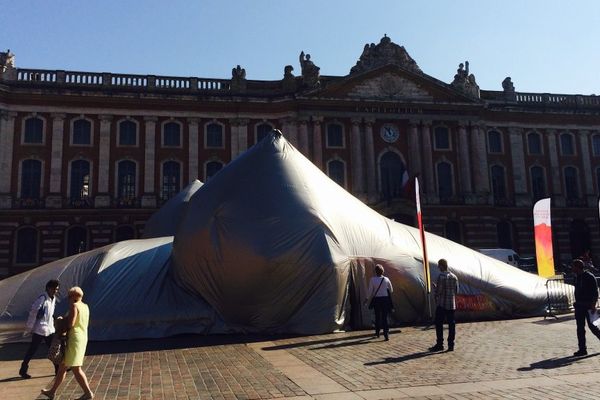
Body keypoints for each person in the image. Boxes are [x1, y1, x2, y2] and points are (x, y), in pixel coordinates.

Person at [42, 286, 93, 400]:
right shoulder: (85, 306)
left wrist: (61, 320)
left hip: (74, 338)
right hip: (82, 337)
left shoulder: (74, 306)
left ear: (73, 297)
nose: (68, 299)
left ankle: (88, 393)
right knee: (62, 367)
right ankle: (52, 391)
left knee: (76, 368)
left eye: (69, 296)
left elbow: (71, 324)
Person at [19, 279, 60, 379]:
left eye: (57, 289)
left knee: (53, 349)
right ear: (48, 288)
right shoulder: (42, 298)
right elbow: (33, 312)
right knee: (32, 350)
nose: (55, 291)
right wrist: (29, 328)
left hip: (49, 329)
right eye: (54, 289)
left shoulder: (53, 298)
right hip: (40, 329)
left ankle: (58, 369)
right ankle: (23, 369)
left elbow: (50, 313)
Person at [571, 258, 600, 356]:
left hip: (588, 305)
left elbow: (595, 292)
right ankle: (582, 349)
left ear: (578, 267)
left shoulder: (589, 276)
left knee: (592, 327)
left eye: (573, 266)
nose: (572, 268)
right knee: (580, 328)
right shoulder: (576, 277)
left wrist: (593, 304)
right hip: (579, 306)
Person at [429, 259, 459, 352]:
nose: (438, 267)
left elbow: (439, 292)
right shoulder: (454, 277)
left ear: (442, 266)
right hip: (451, 304)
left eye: (439, 266)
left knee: (439, 324)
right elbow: (456, 291)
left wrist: (435, 288)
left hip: (442, 304)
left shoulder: (441, 276)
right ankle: (451, 345)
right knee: (451, 325)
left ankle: (440, 344)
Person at [364, 264, 393, 341]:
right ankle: (386, 334)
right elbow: (391, 290)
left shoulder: (372, 279)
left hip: (377, 300)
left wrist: (367, 299)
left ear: (375, 272)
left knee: (377, 316)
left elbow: (370, 291)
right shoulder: (386, 279)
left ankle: (377, 332)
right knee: (384, 317)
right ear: (382, 271)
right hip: (385, 299)